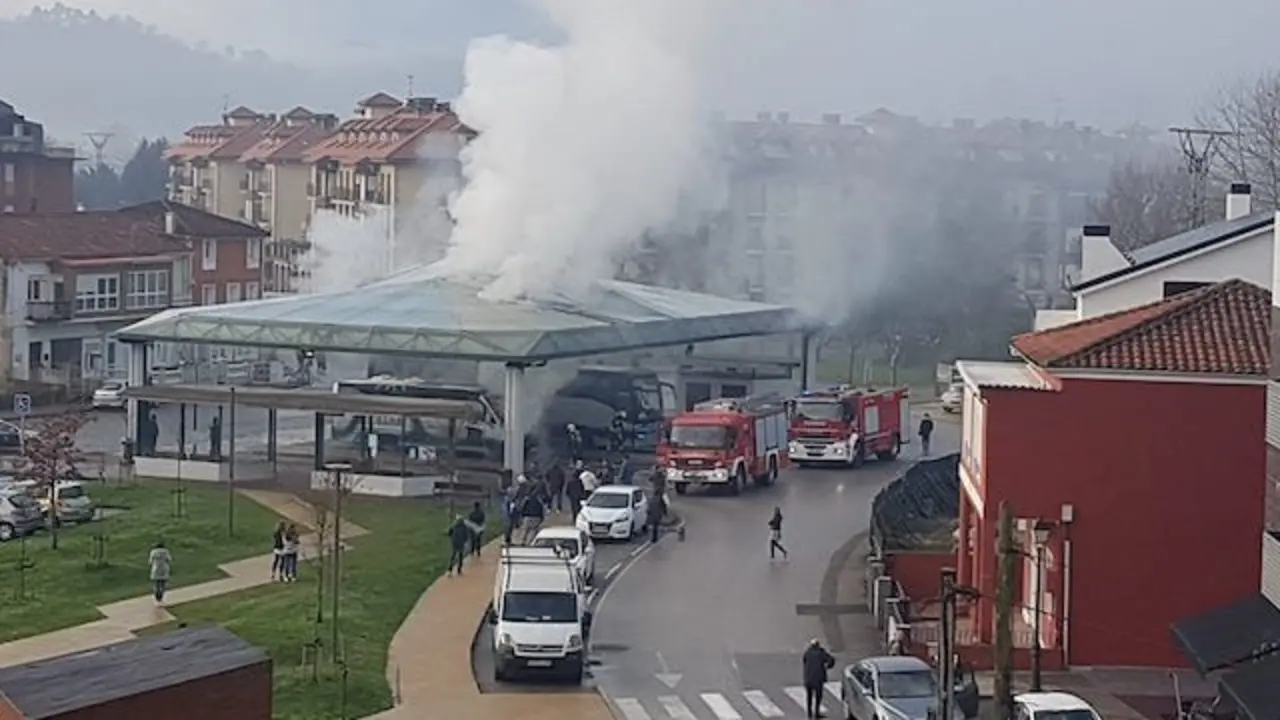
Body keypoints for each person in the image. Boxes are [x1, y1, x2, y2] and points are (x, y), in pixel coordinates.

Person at [802, 638, 836, 718]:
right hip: (818, 679)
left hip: (808, 679)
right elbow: (831, 660)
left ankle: (809, 713)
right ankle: (816, 712)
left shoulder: (807, 653)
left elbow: (804, 660)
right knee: (818, 696)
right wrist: (828, 666)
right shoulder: (821, 653)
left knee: (809, 696)